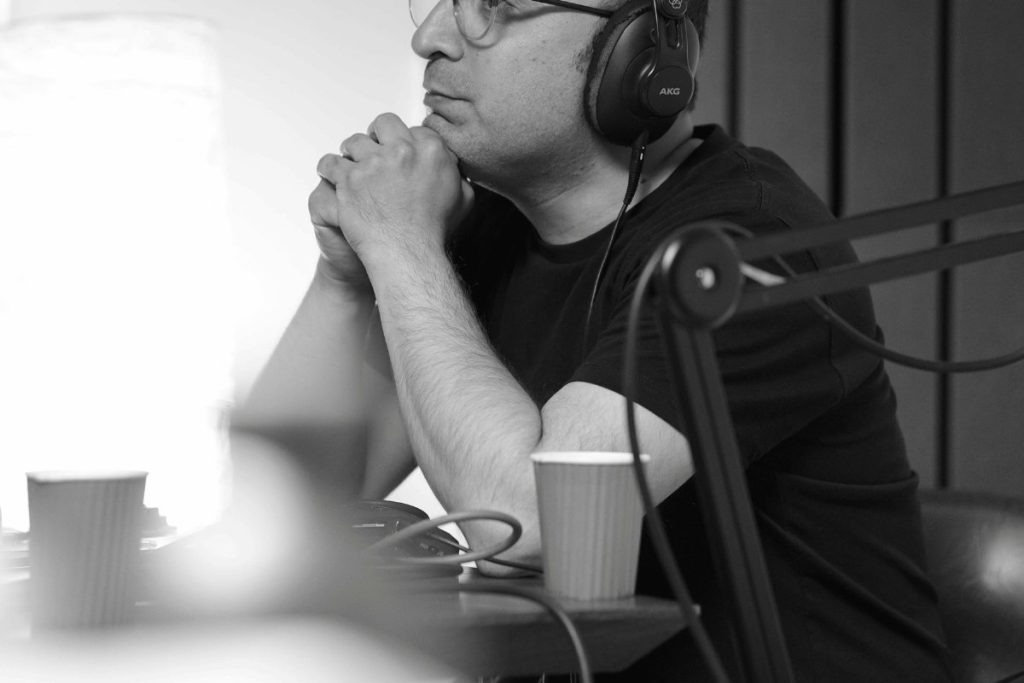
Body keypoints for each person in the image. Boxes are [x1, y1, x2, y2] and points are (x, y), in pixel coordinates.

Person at [241, 0, 953, 680]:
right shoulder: (477, 228)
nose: (429, 38)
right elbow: (288, 494)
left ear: (643, 48)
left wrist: (399, 245)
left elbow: (537, 519)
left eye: (496, 5)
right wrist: (346, 276)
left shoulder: (743, 249)